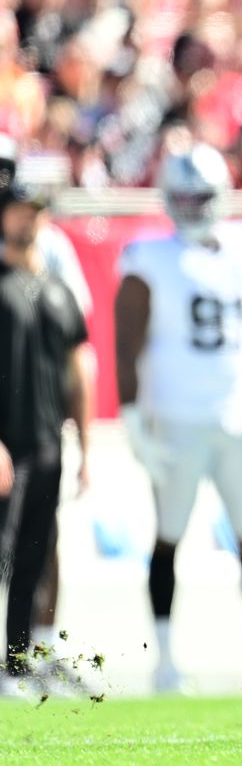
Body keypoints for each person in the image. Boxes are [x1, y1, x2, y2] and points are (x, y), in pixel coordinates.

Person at [114, 142, 242, 693]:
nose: (194, 205)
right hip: (176, 416)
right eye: (184, 196)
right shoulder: (148, 255)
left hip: (240, 413)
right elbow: (125, 343)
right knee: (169, 536)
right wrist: (133, 422)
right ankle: (165, 661)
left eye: (203, 195)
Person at [0, 175, 92, 698]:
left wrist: (85, 448)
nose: (26, 218)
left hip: (47, 444)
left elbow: (76, 371)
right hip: (6, 443)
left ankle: (16, 663)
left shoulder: (58, 289)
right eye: (17, 209)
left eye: (35, 210)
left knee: (34, 557)